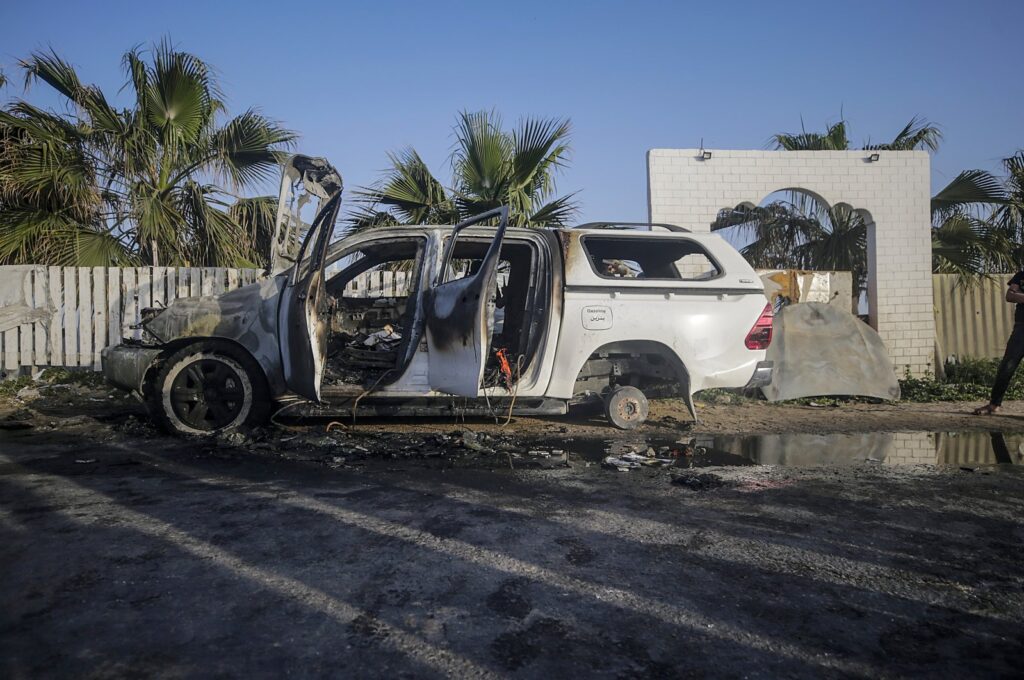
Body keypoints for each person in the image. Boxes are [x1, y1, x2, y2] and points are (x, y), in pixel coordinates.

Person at [974, 270, 1024, 415]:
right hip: (1021, 329)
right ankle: (994, 405)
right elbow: (1009, 295)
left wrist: (1019, 296)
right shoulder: (1021, 276)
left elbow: (1015, 295)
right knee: (1007, 366)